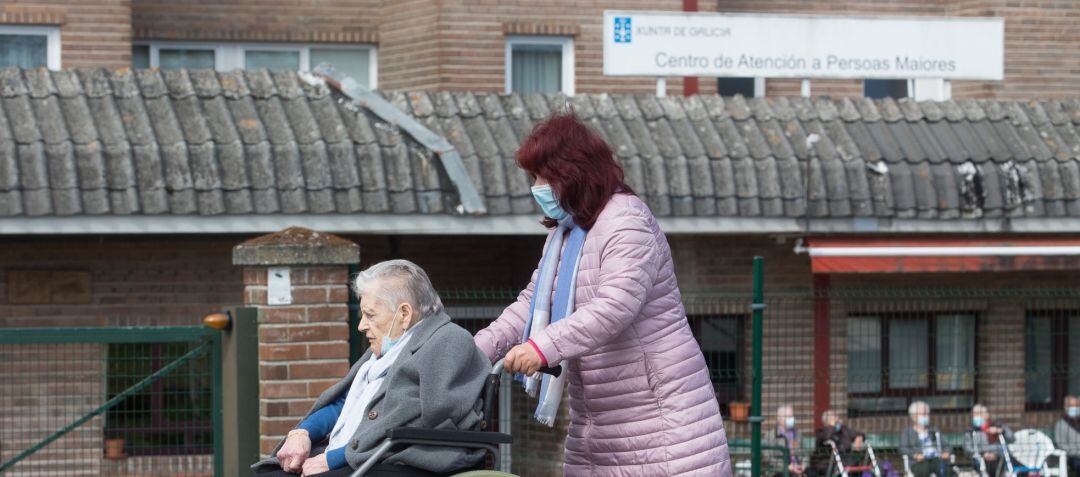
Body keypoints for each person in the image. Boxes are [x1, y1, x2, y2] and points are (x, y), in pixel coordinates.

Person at [473, 113, 731, 476]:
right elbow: (532, 304)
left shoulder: (626, 221)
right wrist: (473, 352)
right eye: (532, 178)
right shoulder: (564, 233)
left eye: (542, 176)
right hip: (598, 421)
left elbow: (614, 307)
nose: (536, 187)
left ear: (572, 171)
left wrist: (540, 347)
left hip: (661, 424)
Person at [251, 260, 490, 477]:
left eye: (370, 315)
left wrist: (335, 458)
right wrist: (302, 433)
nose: (361, 326)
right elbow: (344, 403)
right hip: (366, 456)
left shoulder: (448, 340)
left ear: (404, 314)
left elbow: (428, 419)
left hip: (407, 461)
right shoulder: (389, 346)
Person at [900, 401, 952, 477]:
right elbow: (902, 449)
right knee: (924, 469)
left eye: (927, 414)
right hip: (919, 462)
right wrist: (915, 455)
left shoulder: (934, 430)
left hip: (936, 460)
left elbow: (947, 445)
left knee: (946, 469)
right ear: (914, 416)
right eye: (923, 414)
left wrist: (946, 452)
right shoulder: (907, 432)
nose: (926, 416)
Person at [962, 404, 1014, 477]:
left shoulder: (997, 425)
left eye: (979, 413)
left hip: (999, 460)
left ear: (987, 414)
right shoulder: (971, 431)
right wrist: (983, 453)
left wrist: (1001, 431)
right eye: (975, 414)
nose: (976, 416)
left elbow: (1012, 439)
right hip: (980, 463)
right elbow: (967, 449)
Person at [809, 410, 865, 477]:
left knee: (856, 465)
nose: (837, 420)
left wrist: (859, 437)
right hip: (827, 462)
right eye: (834, 419)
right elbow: (826, 437)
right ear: (826, 422)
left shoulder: (844, 430)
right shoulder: (821, 432)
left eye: (837, 418)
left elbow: (857, 433)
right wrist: (831, 426)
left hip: (846, 459)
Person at [774, 405, 806, 477]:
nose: (792, 419)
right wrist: (787, 467)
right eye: (789, 417)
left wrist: (804, 465)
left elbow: (805, 453)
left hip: (798, 467)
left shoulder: (798, 434)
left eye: (792, 416)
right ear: (780, 419)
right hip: (781, 471)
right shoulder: (771, 435)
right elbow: (769, 458)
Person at [1054, 395, 1080, 476]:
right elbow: (1061, 446)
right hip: (1072, 458)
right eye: (1072, 406)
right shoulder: (1061, 424)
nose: (1075, 408)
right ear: (1066, 407)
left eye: (1077, 406)